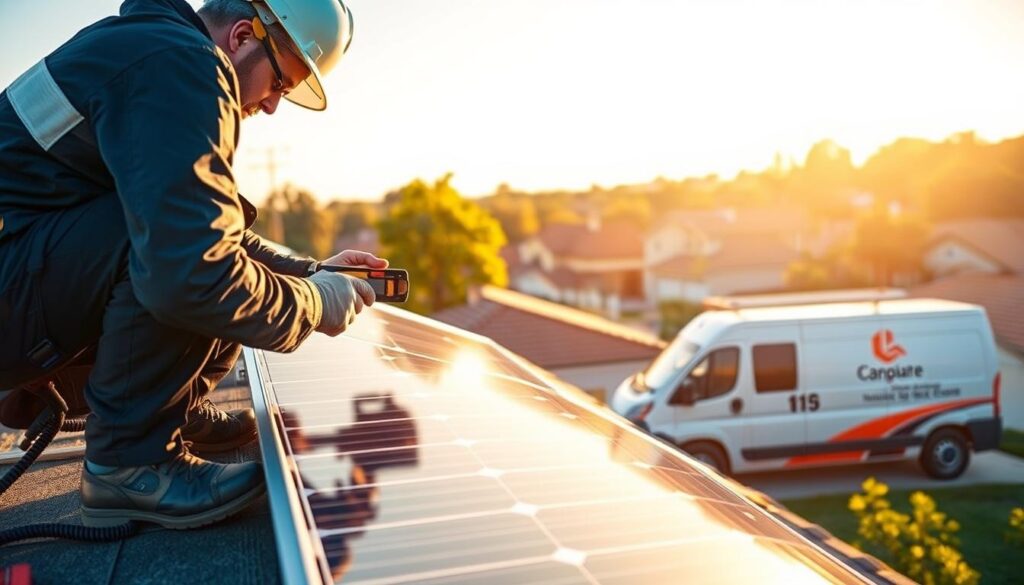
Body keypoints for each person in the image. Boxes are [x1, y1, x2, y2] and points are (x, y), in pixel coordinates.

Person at [0, 0, 381, 529]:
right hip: (12, 290)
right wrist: (316, 305)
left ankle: (167, 408)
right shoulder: (187, 65)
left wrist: (309, 273)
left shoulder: (152, 47)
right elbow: (192, 272)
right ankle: (129, 461)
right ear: (243, 37)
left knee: (200, 232)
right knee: (186, 260)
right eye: (281, 82)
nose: (273, 105)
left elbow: (199, 224)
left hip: (20, 274)